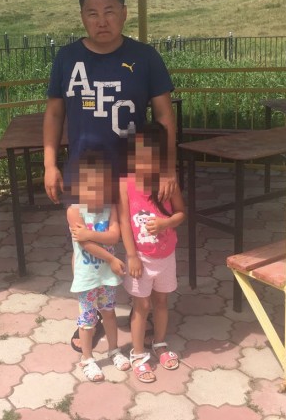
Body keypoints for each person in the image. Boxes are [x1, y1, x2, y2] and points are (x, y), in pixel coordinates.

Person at [43, 0, 178, 205]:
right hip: (84, 176)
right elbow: (55, 114)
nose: (102, 22)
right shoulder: (67, 58)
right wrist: (49, 165)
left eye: (109, 12)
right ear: (82, 17)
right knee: (86, 229)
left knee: (138, 229)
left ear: (124, 13)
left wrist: (167, 168)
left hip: (137, 175)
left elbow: (164, 115)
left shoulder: (146, 57)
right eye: (92, 14)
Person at [119, 122, 186, 383]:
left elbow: (181, 213)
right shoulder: (125, 184)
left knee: (161, 302)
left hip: (166, 256)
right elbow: (124, 222)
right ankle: (138, 355)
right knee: (141, 305)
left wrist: (165, 223)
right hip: (140, 258)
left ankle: (159, 343)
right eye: (137, 154)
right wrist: (131, 256)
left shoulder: (168, 183)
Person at [68, 149, 131, 381]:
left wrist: (90, 234)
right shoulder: (74, 211)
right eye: (89, 187)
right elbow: (84, 245)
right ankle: (87, 358)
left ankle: (114, 350)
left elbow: (114, 236)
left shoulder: (110, 208)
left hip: (106, 276)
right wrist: (112, 259)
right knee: (87, 320)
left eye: (100, 187)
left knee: (109, 313)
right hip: (87, 277)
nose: (95, 193)